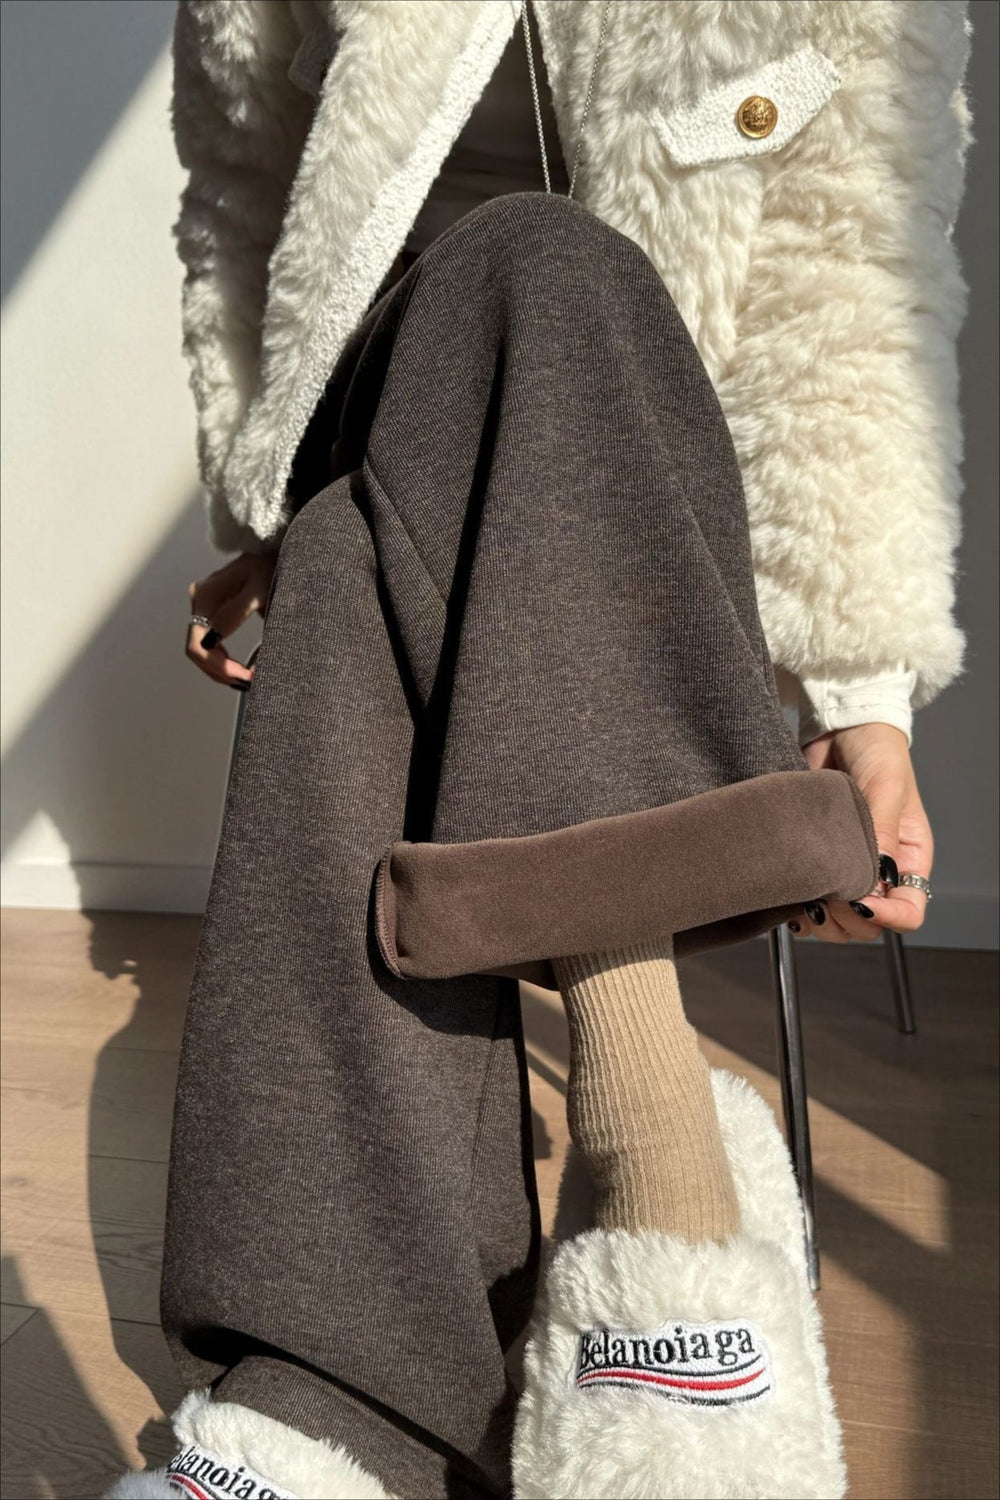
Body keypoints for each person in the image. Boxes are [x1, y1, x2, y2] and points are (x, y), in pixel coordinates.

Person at [108, 3, 969, 1498]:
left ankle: (331, 1404)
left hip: (676, 483)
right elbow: (243, 184)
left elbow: (850, 269)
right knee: (516, 276)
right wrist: (260, 489)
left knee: (486, 360)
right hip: (382, 404)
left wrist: (861, 688)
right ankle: (667, 1207)